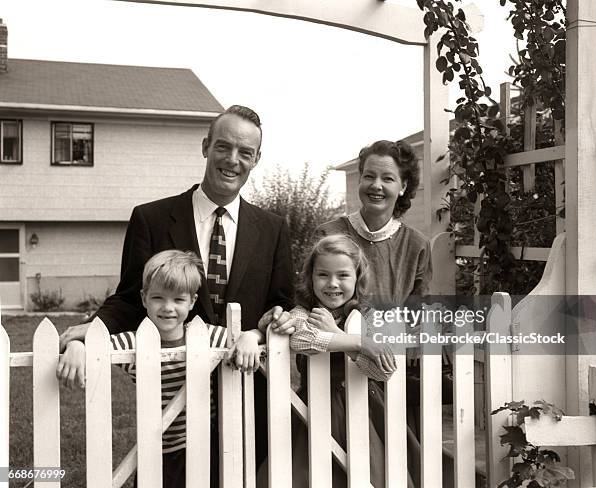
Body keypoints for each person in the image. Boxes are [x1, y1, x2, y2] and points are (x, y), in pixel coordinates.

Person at [58, 105, 295, 477]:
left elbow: (281, 305)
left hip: (248, 390)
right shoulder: (150, 219)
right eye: (223, 146)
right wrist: (92, 331)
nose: (232, 160)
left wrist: (258, 331)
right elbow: (130, 297)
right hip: (176, 402)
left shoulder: (274, 228)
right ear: (205, 146)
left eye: (245, 152)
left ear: (256, 159)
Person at [316, 140, 442, 487]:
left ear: (403, 187)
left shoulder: (416, 245)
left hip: (389, 372)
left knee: (392, 471)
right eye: (368, 175)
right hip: (333, 372)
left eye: (388, 178)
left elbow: (419, 315)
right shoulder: (330, 234)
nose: (376, 185)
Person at [57, 250, 229, 488]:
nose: (168, 307)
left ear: (192, 302)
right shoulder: (132, 343)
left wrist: (250, 338)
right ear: (144, 298)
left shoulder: (206, 336)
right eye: (158, 298)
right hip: (157, 448)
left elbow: (244, 340)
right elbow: (96, 345)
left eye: (178, 299)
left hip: (205, 445)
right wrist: (77, 345)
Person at [260, 234, 396, 488]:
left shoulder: (369, 316)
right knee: (311, 472)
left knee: (367, 473)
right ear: (310, 278)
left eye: (343, 275)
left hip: (364, 408)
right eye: (323, 275)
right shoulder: (303, 314)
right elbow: (301, 340)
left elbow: (382, 371)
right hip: (315, 405)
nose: (333, 284)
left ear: (358, 278)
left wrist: (338, 335)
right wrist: (358, 343)